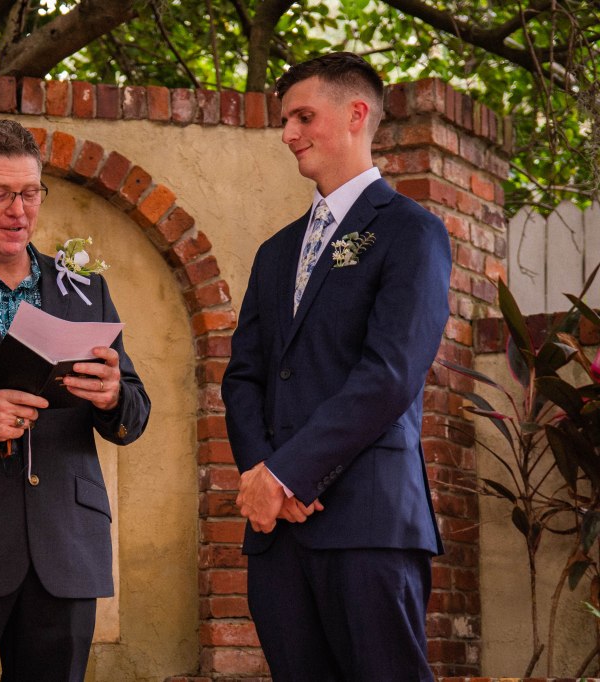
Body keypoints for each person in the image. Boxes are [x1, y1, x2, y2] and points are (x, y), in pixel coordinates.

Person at [222, 52, 451, 681]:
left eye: (303, 116)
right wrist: (262, 477)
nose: (288, 133)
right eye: (284, 120)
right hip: (278, 532)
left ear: (355, 115)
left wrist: (288, 475)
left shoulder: (412, 232)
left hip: (367, 522)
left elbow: (389, 376)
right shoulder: (275, 252)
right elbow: (244, 376)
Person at [0, 119, 150, 681]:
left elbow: (135, 411)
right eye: (0, 193)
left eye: (30, 193)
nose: (18, 211)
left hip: (66, 546)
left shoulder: (85, 288)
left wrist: (111, 397)